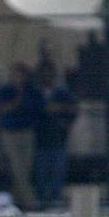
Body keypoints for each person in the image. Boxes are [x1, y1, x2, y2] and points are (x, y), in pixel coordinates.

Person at [0, 63, 43, 211]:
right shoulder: (6, 91)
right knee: (17, 167)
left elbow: (38, 109)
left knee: (26, 167)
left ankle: (17, 201)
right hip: (10, 133)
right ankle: (31, 202)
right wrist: (17, 99)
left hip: (27, 132)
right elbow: (2, 109)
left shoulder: (32, 91)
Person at [34, 63, 77, 207]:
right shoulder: (36, 94)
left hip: (58, 136)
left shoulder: (61, 93)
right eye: (44, 74)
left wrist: (59, 109)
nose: (47, 77)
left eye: (49, 74)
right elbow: (31, 112)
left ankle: (56, 197)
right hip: (40, 138)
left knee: (58, 169)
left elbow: (73, 109)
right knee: (42, 170)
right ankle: (42, 198)